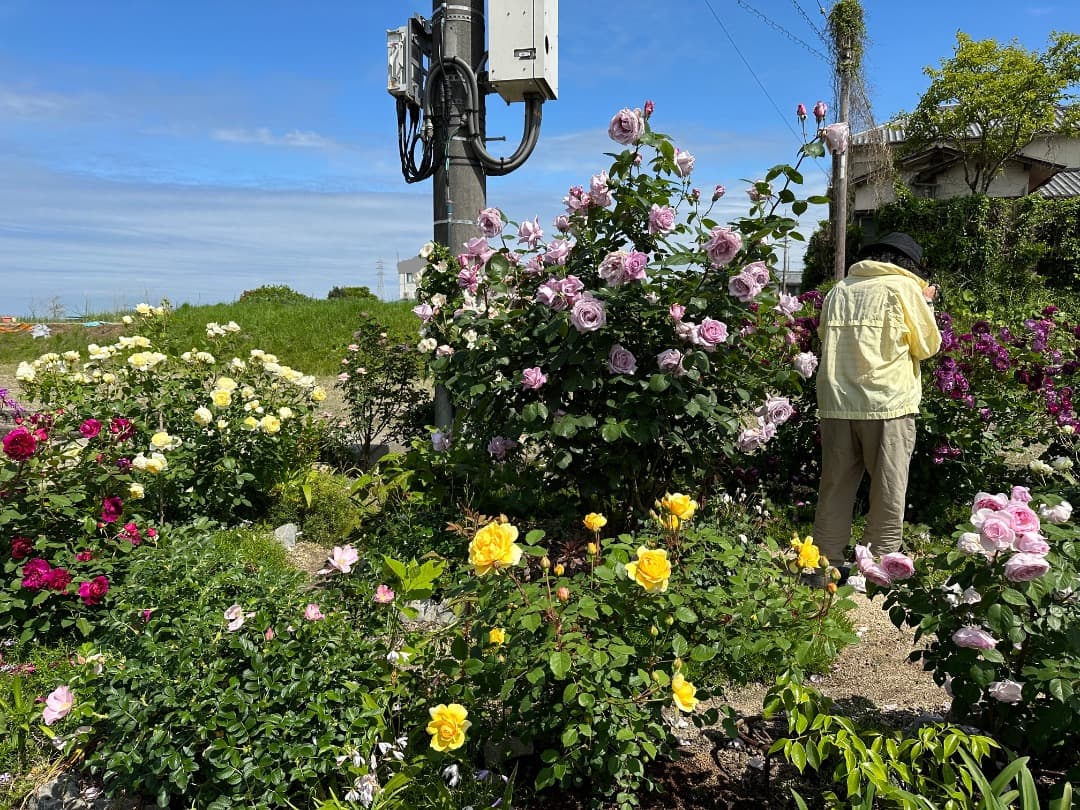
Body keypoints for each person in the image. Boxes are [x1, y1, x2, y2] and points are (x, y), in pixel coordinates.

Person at [812, 232, 942, 580]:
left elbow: (826, 336)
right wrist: (927, 304)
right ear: (907, 265)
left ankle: (824, 562)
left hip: (837, 401)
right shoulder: (905, 290)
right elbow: (928, 346)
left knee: (835, 486)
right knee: (888, 487)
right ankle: (879, 565)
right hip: (887, 403)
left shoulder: (839, 290)